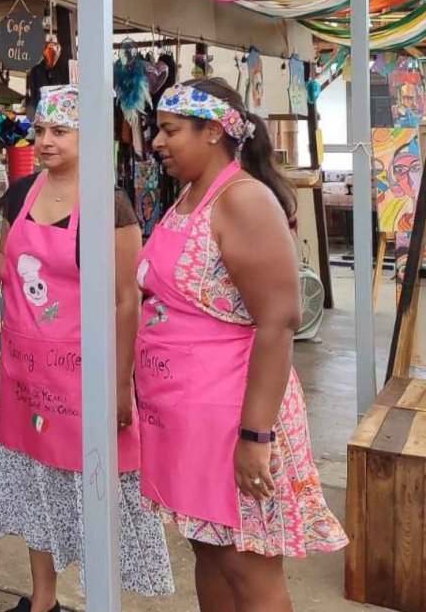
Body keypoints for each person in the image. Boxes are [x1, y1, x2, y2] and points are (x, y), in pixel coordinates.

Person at [139, 78, 347, 611]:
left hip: (236, 417)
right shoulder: (189, 196)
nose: (157, 143)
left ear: (213, 131)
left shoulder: (244, 200)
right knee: (208, 555)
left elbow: (278, 321)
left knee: (247, 568)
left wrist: (256, 435)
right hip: (187, 419)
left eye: (169, 130)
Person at [0, 86, 173, 612]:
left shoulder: (111, 206)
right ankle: (43, 601)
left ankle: (101, 598)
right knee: (35, 483)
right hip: (25, 371)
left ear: (89, 136)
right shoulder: (19, 195)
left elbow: (127, 300)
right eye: (40, 131)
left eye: (60, 131)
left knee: (92, 487)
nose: (45, 141)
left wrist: (122, 383)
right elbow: (7, 264)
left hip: (85, 374)